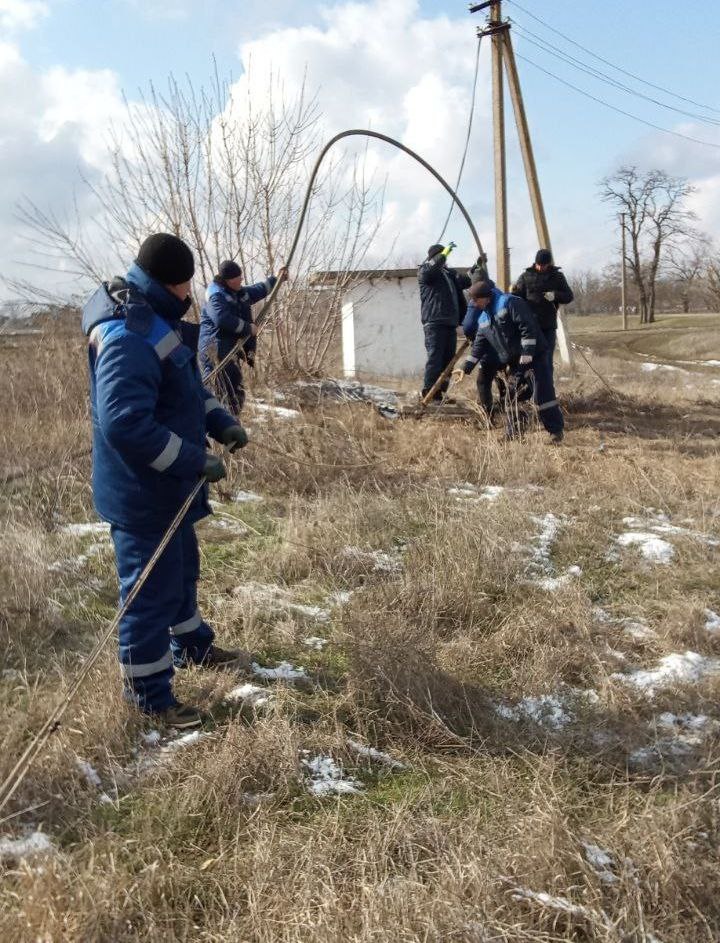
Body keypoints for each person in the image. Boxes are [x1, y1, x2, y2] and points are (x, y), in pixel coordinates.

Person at [82, 233, 250, 729]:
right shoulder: (127, 334)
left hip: (168, 487)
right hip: (142, 493)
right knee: (148, 593)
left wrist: (220, 422)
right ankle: (149, 697)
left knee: (180, 572)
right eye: (186, 286)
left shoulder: (156, 320)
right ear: (171, 283)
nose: (190, 295)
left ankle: (193, 646)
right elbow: (124, 423)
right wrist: (192, 460)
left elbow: (187, 387)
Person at [462, 279, 564, 443]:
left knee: (542, 394)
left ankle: (556, 432)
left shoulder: (510, 302)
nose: (473, 303)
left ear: (484, 297)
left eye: (475, 299)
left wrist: (528, 352)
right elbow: (479, 346)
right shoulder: (483, 318)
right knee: (513, 395)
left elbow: (527, 326)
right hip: (517, 361)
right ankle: (514, 433)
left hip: (535, 355)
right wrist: (465, 367)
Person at [199, 259, 288, 414]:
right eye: (238, 277)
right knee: (217, 390)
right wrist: (248, 328)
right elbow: (221, 318)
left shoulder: (238, 292)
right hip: (215, 351)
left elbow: (259, 290)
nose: (242, 279)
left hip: (229, 350)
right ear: (228, 280)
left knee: (235, 389)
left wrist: (277, 279)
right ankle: (215, 426)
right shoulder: (216, 296)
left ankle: (232, 423)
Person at [417, 242, 472, 401]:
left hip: (450, 323)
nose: (445, 260)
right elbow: (431, 269)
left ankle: (440, 392)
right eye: (442, 257)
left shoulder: (449, 274)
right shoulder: (425, 271)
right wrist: (444, 253)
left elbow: (466, 281)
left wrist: (476, 269)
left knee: (448, 361)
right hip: (434, 322)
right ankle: (429, 392)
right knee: (435, 358)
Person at [510, 248, 573, 380]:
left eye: (543, 265)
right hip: (529, 327)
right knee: (528, 358)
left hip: (548, 325)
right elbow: (517, 299)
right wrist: (513, 291)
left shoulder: (557, 277)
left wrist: (555, 295)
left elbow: (569, 296)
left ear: (548, 264)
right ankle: (529, 388)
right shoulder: (526, 277)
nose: (540, 267)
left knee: (546, 358)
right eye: (538, 264)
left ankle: (547, 388)